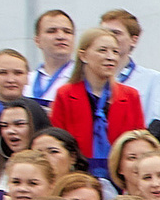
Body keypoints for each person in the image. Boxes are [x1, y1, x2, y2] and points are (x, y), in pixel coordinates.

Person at [47, 27, 147, 177]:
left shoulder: (131, 96)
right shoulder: (65, 94)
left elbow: (140, 140)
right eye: (102, 50)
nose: (111, 57)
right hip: (77, 175)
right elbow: (56, 141)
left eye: (115, 51)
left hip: (121, 176)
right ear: (84, 56)